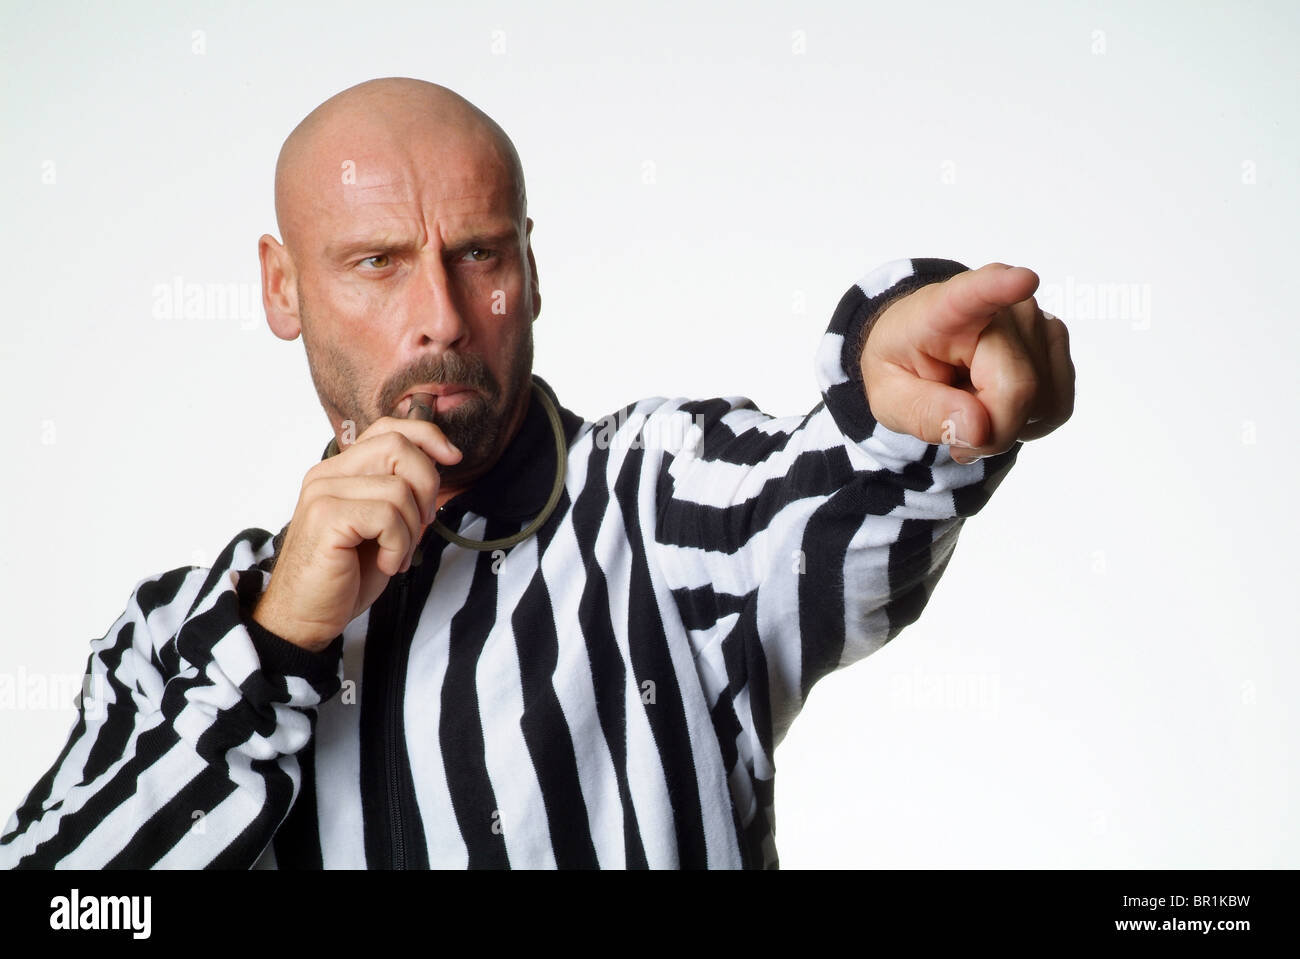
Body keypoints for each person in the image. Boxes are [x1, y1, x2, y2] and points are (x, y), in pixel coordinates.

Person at [0, 77, 1074, 869]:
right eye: (376, 261)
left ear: (530, 262)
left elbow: (831, 488)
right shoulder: (173, 641)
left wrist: (914, 379)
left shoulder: (656, 504)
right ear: (282, 289)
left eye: (478, 253)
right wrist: (277, 642)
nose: (441, 317)